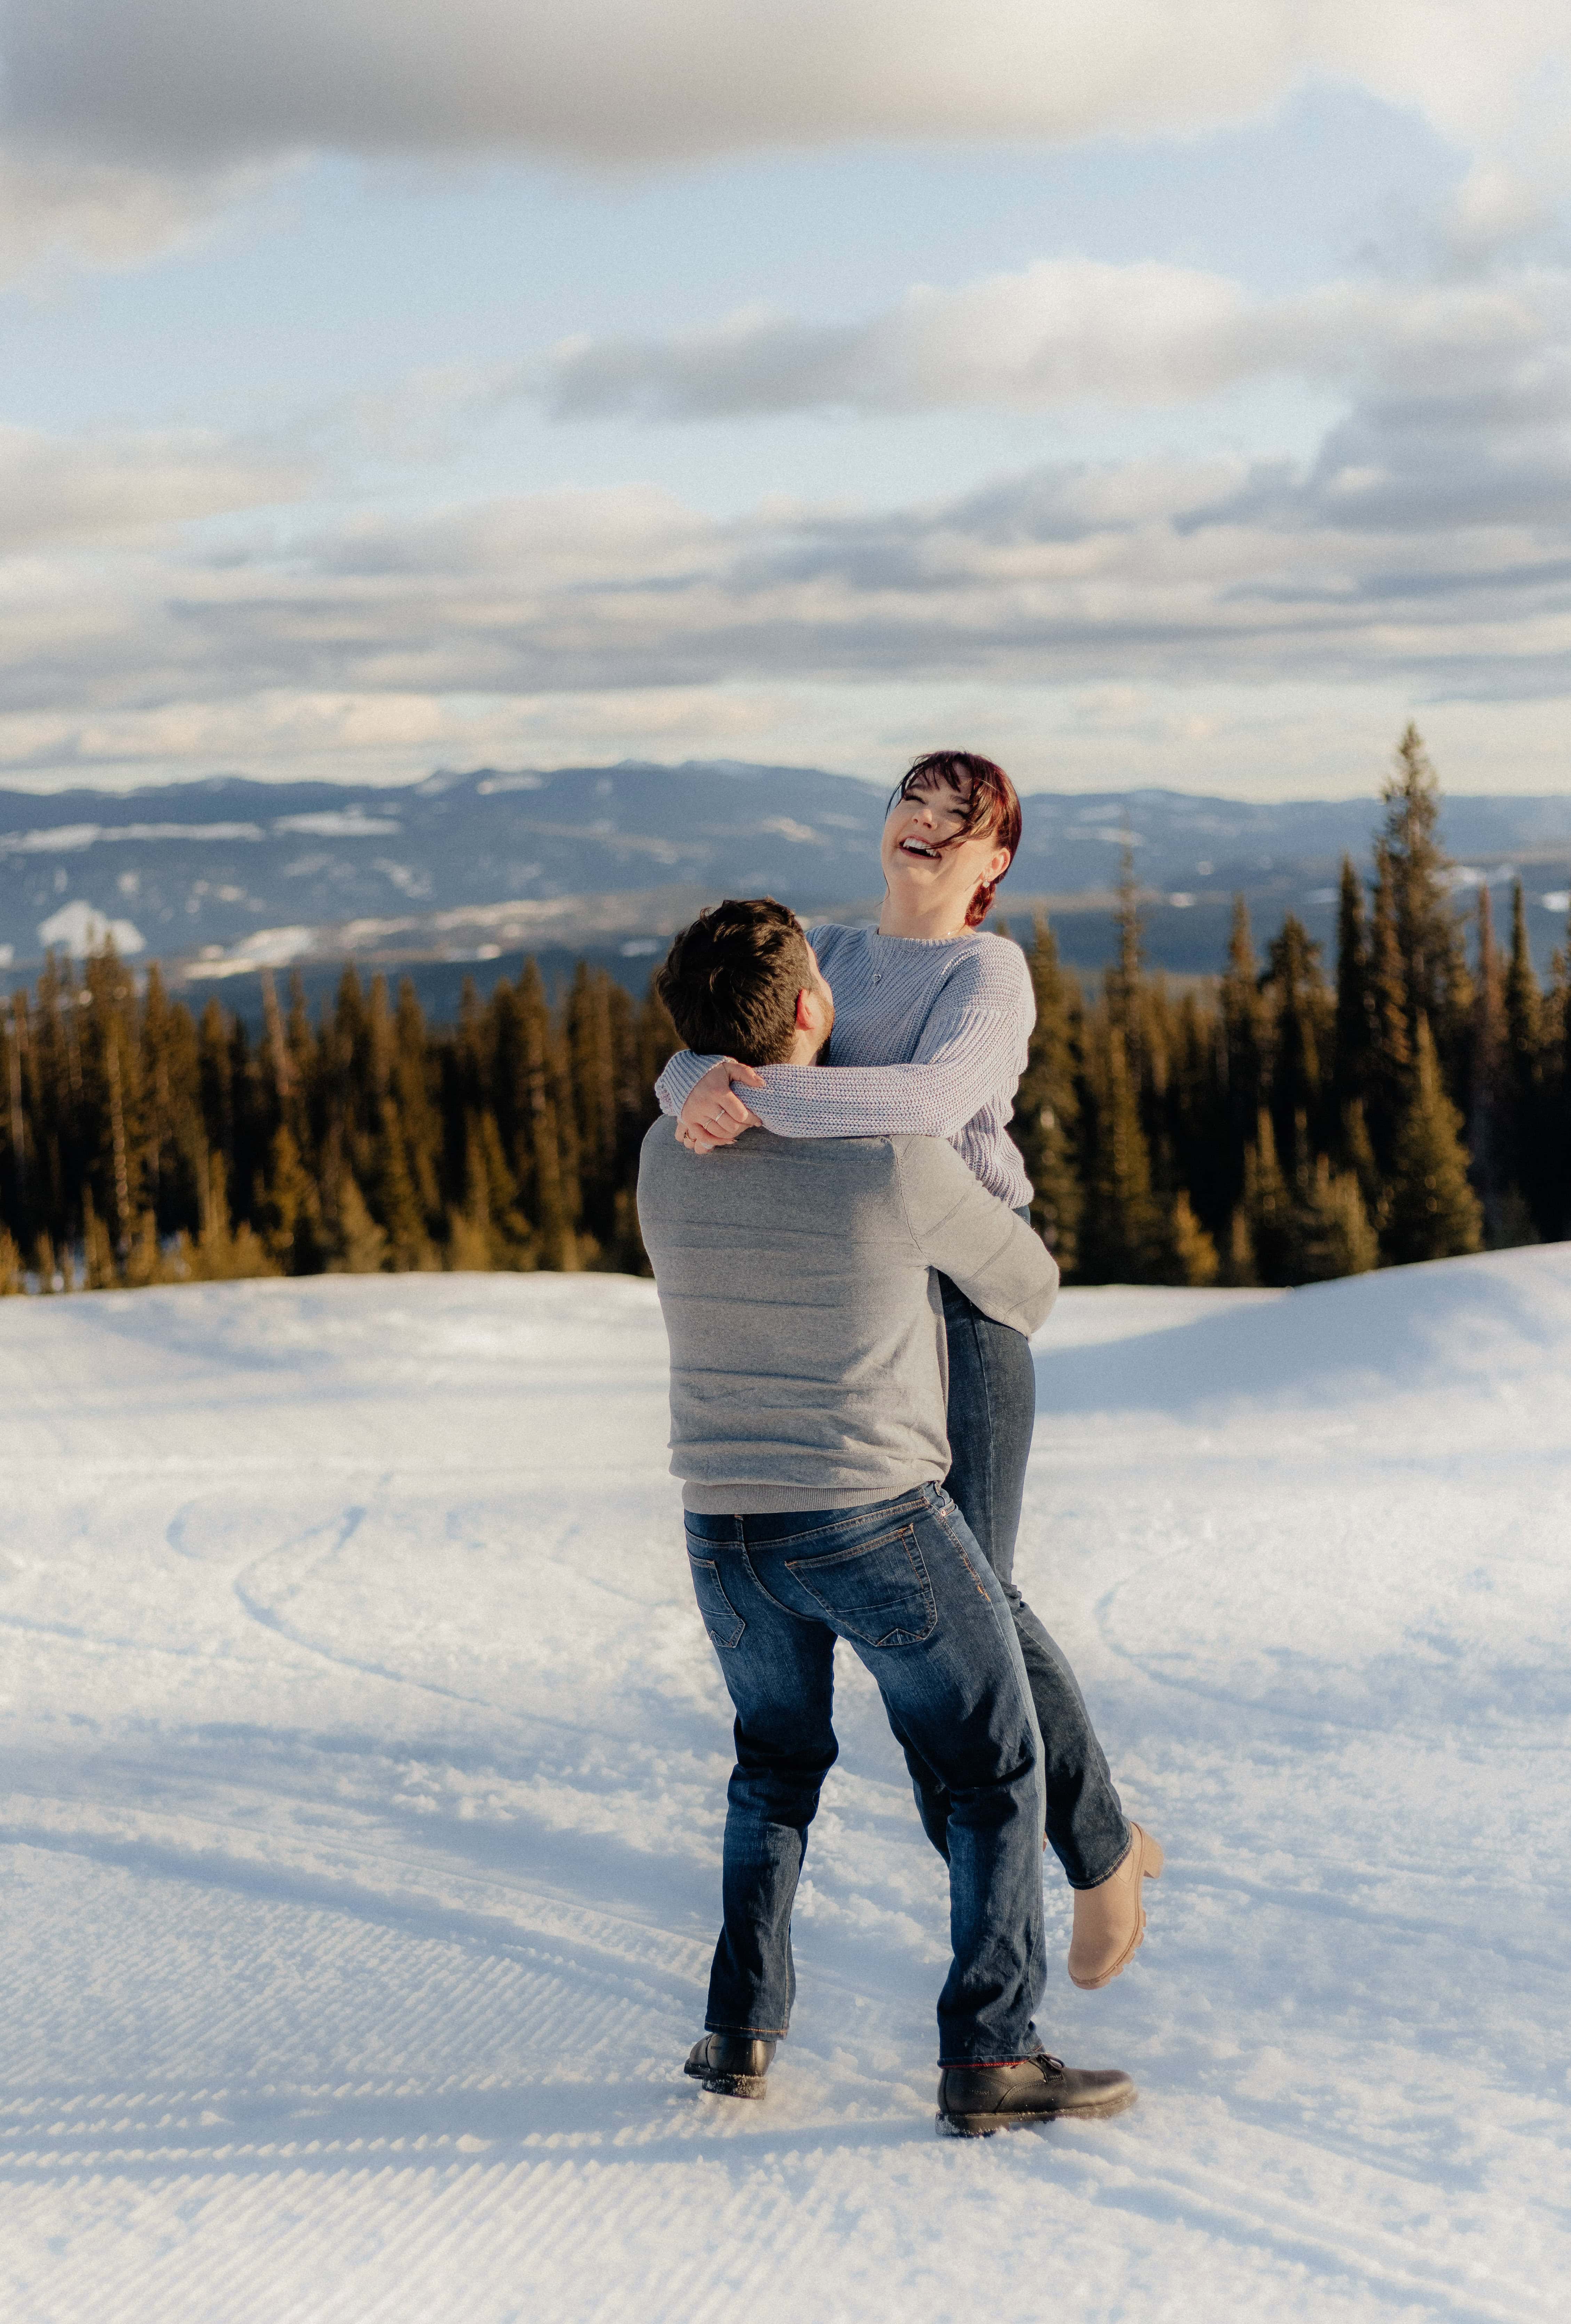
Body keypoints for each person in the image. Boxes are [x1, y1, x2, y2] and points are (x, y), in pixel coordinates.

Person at [655, 751, 1161, 1989]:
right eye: (914, 804)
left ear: (994, 866)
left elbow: (930, 1108)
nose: (928, 827)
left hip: (966, 1298)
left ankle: (1098, 1856)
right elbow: (706, 1041)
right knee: (934, 1623)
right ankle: (1026, 1866)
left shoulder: (987, 973)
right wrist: (690, 1080)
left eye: (962, 819)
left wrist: (752, 1098)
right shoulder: (823, 943)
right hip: (853, 1294)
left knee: (979, 1596)